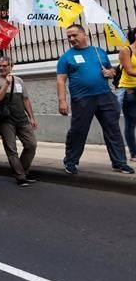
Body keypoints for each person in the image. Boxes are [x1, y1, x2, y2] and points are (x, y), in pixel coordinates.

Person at [56, 24, 135, 175]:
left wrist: (110, 73)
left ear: (84, 35)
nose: (71, 39)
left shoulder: (98, 52)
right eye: (69, 37)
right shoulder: (66, 57)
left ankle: (119, 162)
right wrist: (62, 101)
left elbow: (112, 71)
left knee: (113, 130)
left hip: (105, 96)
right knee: (78, 131)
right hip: (82, 99)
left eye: (74, 35)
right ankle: (71, 162)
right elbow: (61, 80)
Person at [0, 57, 38, 186]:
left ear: (11, 66)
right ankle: (20, 176)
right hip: (6, 120)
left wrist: (31, 117)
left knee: (31, 144)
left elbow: (25, 99)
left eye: (4, 65)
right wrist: (6, 84)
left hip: (21, 118)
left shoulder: (19, 80)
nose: (1, 68)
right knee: (11, 148)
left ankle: (22, 169)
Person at [117, 27, 136, 162]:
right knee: (131, 122)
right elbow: (129, 70)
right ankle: (134, 153)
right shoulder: (126, 50)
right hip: (130, 90)